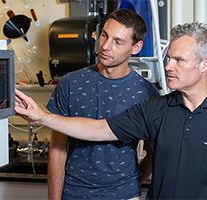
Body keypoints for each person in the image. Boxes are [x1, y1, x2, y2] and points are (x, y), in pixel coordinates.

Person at [15, 22, 207, 199]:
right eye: (168, 58)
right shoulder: (156, 109)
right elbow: (97, 129)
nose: (168, 66)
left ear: (205, 64)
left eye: (178, 60)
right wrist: (41, 116)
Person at [46, 9, 159, 200]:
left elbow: (153, 153)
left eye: (118, 42)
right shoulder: (70, 83)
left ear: (136, 47)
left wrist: (129, 185)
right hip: (74, 193)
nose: (106, 46)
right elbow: (58, 150)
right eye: (104, 35)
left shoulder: (146, 93)